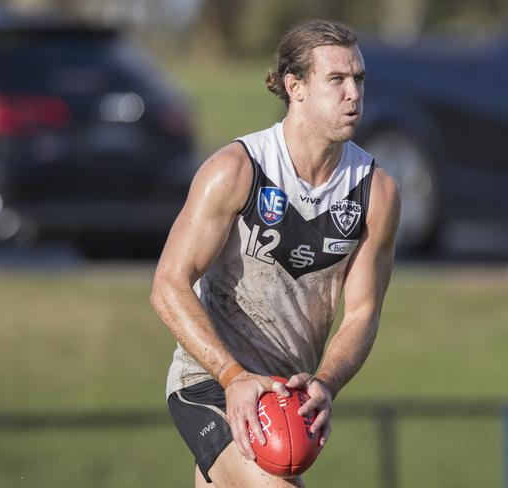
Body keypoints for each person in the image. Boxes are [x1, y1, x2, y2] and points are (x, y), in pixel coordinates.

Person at [150, 18, 400, 488]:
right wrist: (233, 378)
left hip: (287, 396)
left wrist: (326, 382)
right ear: (295, 87)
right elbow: (167, 286)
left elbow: (363, 312)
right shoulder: (236, 170)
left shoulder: (376, 193)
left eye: (359, 79)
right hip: (208, 383)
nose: (354, 93)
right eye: (337, 80)